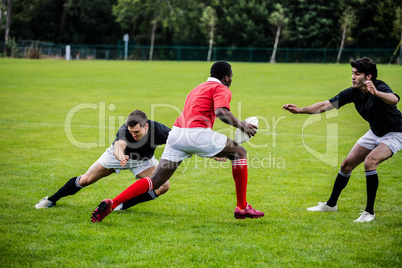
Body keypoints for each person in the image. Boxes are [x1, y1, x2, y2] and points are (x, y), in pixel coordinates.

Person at [91, 60, 265, 222]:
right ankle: (242, 207)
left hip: (176, 135)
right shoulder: (221, 89)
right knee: (240, 153)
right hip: (196, 133)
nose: (230, 80)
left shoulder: (197, 88)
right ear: (226, 77)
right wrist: (242, 125)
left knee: (156, 181)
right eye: (231, 77)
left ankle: (113, 203)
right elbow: (221, 112)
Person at [283, 57, 402, 222]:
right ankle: (331, 205)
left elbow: (394, 99)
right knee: (346, 165)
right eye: (352, 73)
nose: (353, 77)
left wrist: (377, 93)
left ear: (368, 77)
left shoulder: (380, 87)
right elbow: (325, 105)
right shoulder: (353, 92)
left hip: (395, 133)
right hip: (375, 132)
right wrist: (300, 110)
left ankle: (369, 213)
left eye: (357, 74)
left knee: (370, 162)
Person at [35, 109, 171, 211]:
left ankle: (122, 206)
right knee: (86, 179)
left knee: (164, 186)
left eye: (137, 132)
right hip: (117, 157)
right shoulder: (125, 130)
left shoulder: (160, 130)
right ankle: (51, 200)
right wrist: (120, 156)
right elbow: (119, 146)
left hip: (143, 161)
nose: (133, 135)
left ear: (146, 126)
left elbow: (178, 142)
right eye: (131, 131)